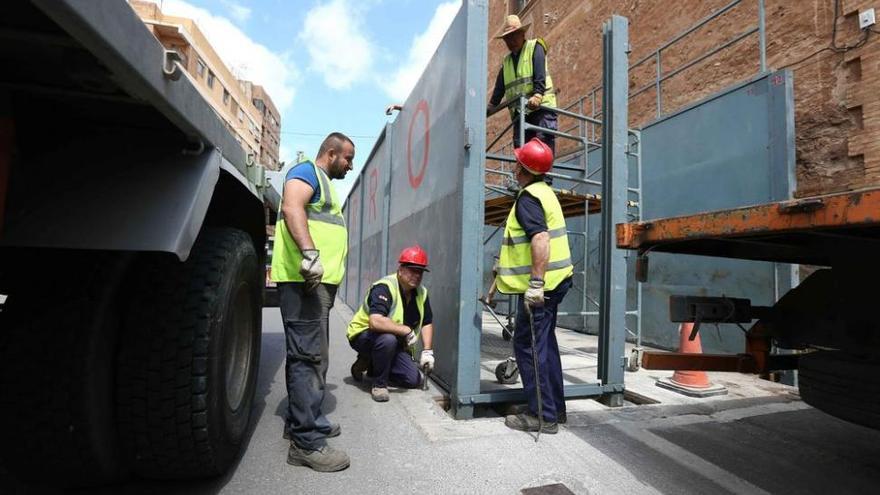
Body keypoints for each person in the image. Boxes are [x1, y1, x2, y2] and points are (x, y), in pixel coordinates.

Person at [271, 132, 354, 472]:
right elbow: (292, 207)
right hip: (305, 280)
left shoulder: (323, 183)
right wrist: (309, 254)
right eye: (347, 158)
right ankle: (306, 444)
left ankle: (305, 421)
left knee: (311, 356)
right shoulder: (307, 171)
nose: (350, 165)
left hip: (316, 283)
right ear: (331, 153)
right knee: (308, 357)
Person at [495, 138, 572, 434]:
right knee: (545, 345)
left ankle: (541, 415)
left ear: (523, 168)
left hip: (544, 287)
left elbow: (540, 238)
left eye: (518, 162)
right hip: (558, 282)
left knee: (528, 346)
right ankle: (555, 409)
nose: (514, 167)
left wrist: (536, 284)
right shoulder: (546, 193)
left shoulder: (528, 198)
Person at [347, 246, 436, 403]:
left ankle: (371, 363)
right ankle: (379, 385)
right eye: (412, 270)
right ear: (400, 269)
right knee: (388, 339)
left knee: (413, 380)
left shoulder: (421, 293)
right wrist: (406, 330)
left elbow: (427, 322)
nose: (416, 275)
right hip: (363, 336)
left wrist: (428, 351)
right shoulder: (385, 287)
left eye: (420, 271)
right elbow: (375, 321)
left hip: (394, 345)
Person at [487, 14, 558, 153]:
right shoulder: (506, 62)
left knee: (541, 150)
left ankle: (545, 176)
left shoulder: (534, 47)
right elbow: (499, 88)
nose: (510, 41)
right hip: (521, 113)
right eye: (507, 38)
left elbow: (540, 74)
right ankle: (526, 175)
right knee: (522, 151)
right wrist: (491, 106)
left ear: (522, 34)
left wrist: (538, 95)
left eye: (513, 36)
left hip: (541, 109)